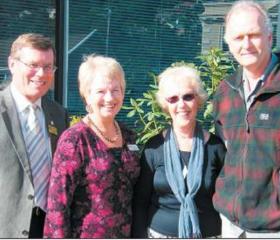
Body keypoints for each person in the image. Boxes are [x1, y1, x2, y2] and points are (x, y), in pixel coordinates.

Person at [212, 0, 280, 238]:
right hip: (232, 225)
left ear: (270, 38)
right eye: (239, 37)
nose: (247, 44)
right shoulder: (225, 91)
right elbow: (228, 151)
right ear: (228, 43)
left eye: (254, 35)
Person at [43, 54, 140, 238]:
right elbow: (57, 204)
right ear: (86, 95)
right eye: (101, 92)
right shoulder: (75, 140)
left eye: (116, 90)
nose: (110, 98)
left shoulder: (129, 136)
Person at [132, 65, 226, 238]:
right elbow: (140, 201)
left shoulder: (215, 148)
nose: (181, 104)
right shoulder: (154, 148)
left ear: (198, 100)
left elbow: (228, 198)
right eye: (173, 99)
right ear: (165, 105)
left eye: (188, 97)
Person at [0, 33, 68, 238]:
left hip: (48, 226)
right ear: (12, 64)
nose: (41, 74)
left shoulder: (59, 114)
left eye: (48, 67)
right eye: (33, 65)